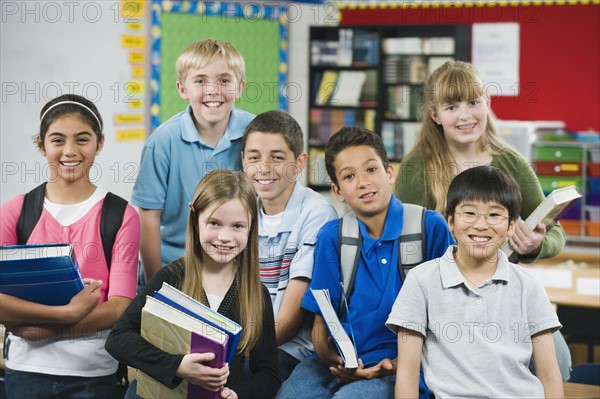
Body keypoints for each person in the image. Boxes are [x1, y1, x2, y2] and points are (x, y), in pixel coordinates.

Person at [394, 60, 571, 379]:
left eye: (473, 102)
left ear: (486, 104)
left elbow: (556, 233)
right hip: (442, 303)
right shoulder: (415, 170)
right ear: (435, 114)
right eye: (451, 106)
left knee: (557, 359)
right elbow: (401, 246)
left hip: (503, 296)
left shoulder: (511, 162)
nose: (465, 115)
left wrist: (536, 244)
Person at [277, 127, 455, 399]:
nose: (363, 182)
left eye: (371, 170)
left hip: (407, 363)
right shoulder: (332, 237)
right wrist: (332, 361)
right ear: (337, 190)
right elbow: (320, 322)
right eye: (349, 176)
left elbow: (451, 316)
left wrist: (396, 366)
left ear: (389, 173)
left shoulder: (429, 227)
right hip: (340, 360)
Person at [0, 94, 140, 398]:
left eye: (82, 139)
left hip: (94, 375)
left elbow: (119, 306)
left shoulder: (121, 215)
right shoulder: (16, 211)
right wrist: (68, 313)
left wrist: (42, 329)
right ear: (41, 144)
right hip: (26, 372)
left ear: (100, 143)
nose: (70, 151)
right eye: (58, 140)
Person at [387, 165, 564, 398]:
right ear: (450, 221)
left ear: (511, 226)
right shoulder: (421, 281)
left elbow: (550, 376)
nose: (481, 225)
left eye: (494, 215)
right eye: (469, 213)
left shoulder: (527, 285)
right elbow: (407, 375)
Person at [105, 169, 280, 399]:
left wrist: (238, 394)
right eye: (214, 223)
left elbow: (268, 374)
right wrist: (177, 366)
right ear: (196, 221)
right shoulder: (171, 277)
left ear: (251, 228)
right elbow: (118, 339)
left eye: (237, 226)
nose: (225, 237)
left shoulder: (257, 294)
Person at [132, 39, 255, 283]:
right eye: (200, 81)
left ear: (240, 87)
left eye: (224, 80)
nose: (213, 90)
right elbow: (148, 218)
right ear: (182, 89)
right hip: (175, 265)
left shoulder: (255, 133)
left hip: (237, 264)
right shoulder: (162, 141)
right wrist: (157, 285)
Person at [241, 110, 338, 381]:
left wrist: (230, 352)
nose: (264, 167)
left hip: (290, 348)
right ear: (243, 161)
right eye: (254, 157)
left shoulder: (317, 214)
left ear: (299, 162)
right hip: (244, 340)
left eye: (278, 157)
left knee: (234, 380)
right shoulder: (241, 210)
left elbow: (288, 323)